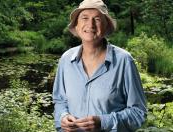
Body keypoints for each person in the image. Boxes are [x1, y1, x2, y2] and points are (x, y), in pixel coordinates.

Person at [52, 0, 147, 131]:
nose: (90, 24)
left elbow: (138, 113)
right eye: (84, 18)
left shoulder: (124, 61)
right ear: (77, 25)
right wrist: (63, 116)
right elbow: (60, 101)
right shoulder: (66, 59)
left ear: (106, 26)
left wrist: (103, 122)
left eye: (97, 19)